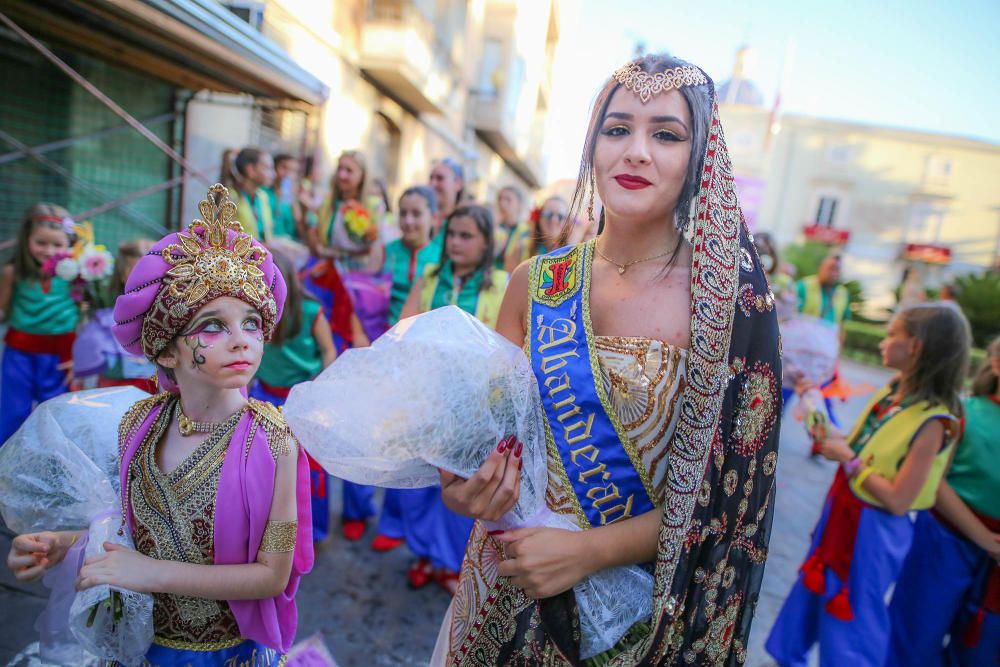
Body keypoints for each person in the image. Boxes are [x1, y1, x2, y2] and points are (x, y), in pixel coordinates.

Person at [430, 53, 781, 664]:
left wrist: (590, 551)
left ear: (700, 158)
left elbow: (724, 501)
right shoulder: (533, 284)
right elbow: (481, 441)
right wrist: (461, 488)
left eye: (666, 134)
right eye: (617, 129)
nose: (636, 151)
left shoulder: (725, 305)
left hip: (635, 622)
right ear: (592, 148)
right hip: (505, 589)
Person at [5, 185, 313, 665]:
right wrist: (66, 545)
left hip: (224, 654)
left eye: (252, 323)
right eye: (213, 326)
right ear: (167, 351)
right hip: (143, 646)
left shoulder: (273, 442)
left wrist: (148, 573)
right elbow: (131, 527)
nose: (241, 341)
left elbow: (271, 576)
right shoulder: (139, 424)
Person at [766, 303, 971, 667]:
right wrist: (812, 398)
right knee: (814, 592)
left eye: (893, 334)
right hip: (845, 510)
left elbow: (897, 499)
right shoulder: (892, 394)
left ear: (917, 347)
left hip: (874, 530)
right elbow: (847, 445)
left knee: (854, 612)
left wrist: (850, 460)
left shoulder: (934, 421)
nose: (884, 342)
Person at [397, 203, 509, 594]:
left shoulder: (502, 284)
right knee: (421, 486)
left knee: (458, 487)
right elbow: (406, 327)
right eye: (453, 235)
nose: (457, 243)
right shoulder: (429, 277)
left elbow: (506, 346)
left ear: (485, 242)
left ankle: (449, 561)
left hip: (474, 409)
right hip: (425, 399)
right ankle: (423, 554)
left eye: (467, 236)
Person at [886, 335, 1000, 666]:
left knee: (981, 653)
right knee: (915, 636)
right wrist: (985, 538)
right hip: (945, 540)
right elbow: (933, 481)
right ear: (995, 363)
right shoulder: (964, 413)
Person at [366, 185, 442, 553]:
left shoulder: (441, 256)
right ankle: (390, 520)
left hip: (425, 364)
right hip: (384, 351)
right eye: (404, 213)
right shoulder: (386, 252)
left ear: (433, 218)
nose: (410, 220)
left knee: (418, 446)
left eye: (417, 213)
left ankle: (416, 530)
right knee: (389, 439)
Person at [251, 249, 337, 544]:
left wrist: (323, 391)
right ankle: (273, 529)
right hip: (265, 397)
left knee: (308, 468)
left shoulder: (311, 311)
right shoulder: (253, 312)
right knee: (269, 469)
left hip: (303, 399)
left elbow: (328, 350)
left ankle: (312, 531)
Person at [0, 204, 80, 442]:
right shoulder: (12, 272)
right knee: (13, 410)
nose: (48, 250)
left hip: (61, 355)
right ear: (27, 240)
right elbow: (2, 311)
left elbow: (83, 315)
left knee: (57, 410)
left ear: (69, 244)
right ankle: (7, 464)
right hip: (19, 353)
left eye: (57, 244)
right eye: (41, 242)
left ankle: (54, 463)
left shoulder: (78, 274)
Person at [72, 239, 157, 393]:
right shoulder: (107, 318)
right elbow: (90, 345)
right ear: (123, 275)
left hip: (151, 390)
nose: (146, 280)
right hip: (112, 390)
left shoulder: (166, 314)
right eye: (136, 273)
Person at [310, 150, 381, 272]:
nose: (342, 175)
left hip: (356, 273)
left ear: (362, 175)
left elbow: (375, 247)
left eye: (349, 171)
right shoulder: (327, 203)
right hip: (325, 269)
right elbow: (316, 235)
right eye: (340, 169)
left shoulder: (374, 206)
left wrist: (339, 255)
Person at [221, 147, 297, 242]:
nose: (273, 174)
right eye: (268, 168)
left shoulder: (262, 197)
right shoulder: (231, 198)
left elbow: (266, 236)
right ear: (251, 170)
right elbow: (224, 239)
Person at [503, 195, 569, 272]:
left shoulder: (571, 252)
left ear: (567, 221)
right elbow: (508, 280)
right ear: (539, 217)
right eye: (549, 214)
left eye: (560, 216)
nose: (554, 220)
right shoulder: (521, 248)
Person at [428, 157, 465, 242]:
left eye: (440, 178)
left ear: (458, 184)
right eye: (431, 178)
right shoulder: (420, 217)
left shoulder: (465, 222)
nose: (432, 184)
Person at [493, 186, 530, 270]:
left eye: (508, 199)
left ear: (519, 205)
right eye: (500, 199)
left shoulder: (526, 232)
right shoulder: (493, 227)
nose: (502, 203)